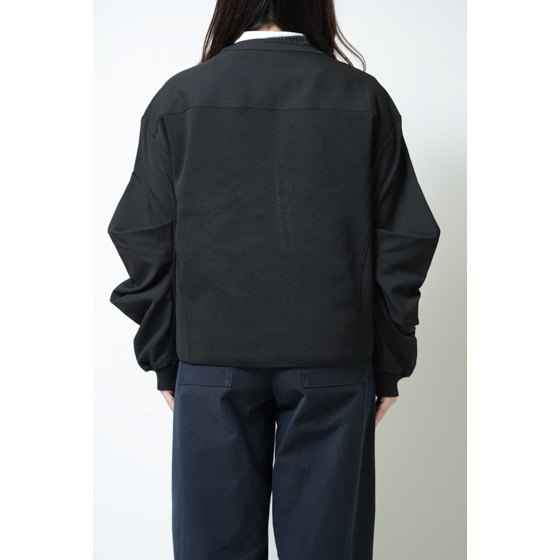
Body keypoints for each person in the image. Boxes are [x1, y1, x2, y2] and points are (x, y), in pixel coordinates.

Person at [107, 1, 441, 558]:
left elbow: (144, 236)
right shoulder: (363, 98)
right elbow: (401, 241)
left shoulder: (180, 98)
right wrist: (388, 364)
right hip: (333, 361)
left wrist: (167, 358)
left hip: (211, 363)